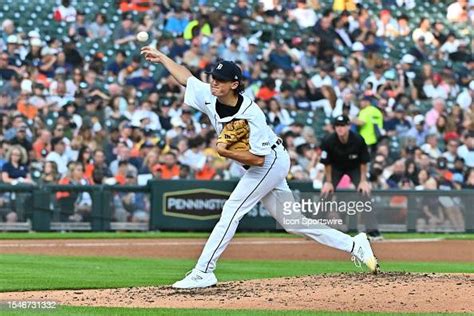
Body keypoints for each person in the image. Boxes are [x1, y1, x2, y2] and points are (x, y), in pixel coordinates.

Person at [141, 46, 379, 289]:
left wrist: (226, 152)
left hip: (269, 160)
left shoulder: (250, 114)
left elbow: (258, 160)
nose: (214, 83)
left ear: (234, 84)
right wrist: (162, 58)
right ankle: (354, 244)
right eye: (213, 78)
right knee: (293, 222)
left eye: (221, 80)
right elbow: (186, 78)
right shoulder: (209, 95)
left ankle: (203, 271)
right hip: (262, 163)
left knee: (232, 209)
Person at [320, 115, 381, 239]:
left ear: (348, 126)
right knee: (326, 192)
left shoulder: (358, 139)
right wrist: (328, 182)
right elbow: (327, 163)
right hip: (335, 167)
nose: (340, 128)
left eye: (343, 125)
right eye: (337, 126)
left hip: (355, 167)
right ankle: (316, 229)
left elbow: (364, 161)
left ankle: (372, 231)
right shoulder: (328, 140)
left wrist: (363, 181)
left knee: (365, 192)